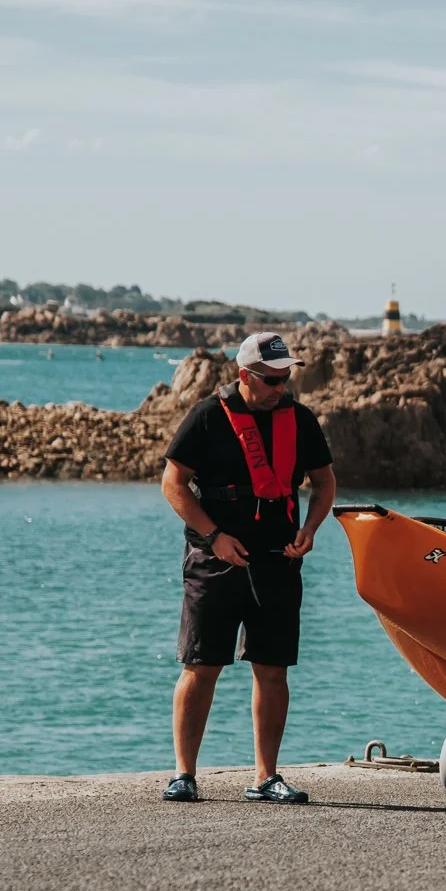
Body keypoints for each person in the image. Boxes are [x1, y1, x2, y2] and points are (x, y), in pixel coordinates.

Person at [160, 332, 337, 803]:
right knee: (201, 666)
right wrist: (214, 537)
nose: (282, 387)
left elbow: (324, 483)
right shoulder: (206, 416)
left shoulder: (300, 419)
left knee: (273, 670)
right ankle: (183, 774)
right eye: (272, 379)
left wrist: (311, 529)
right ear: (245, 375)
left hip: (278, 561)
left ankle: (266, 777)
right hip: (214, 561)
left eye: (286, 377)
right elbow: (173, 483)